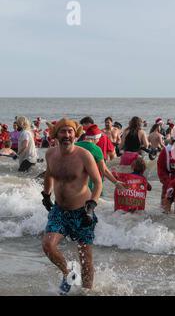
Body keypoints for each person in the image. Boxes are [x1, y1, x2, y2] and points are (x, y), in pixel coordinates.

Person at [41, 118, 102, 294]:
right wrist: (46, 195)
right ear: (56, 135)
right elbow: (49, 175)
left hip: (83, 212)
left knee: (86, 259)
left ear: (75, 134)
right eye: (63, 131)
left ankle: (86, 292)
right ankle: (68, 273)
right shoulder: (50, 154)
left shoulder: (84, 155)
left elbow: (98, 183)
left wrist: (91, 206)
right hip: (59, 211)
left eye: (70, 132)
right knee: (48, 245)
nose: (67, 135)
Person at [74, 124, 125, 191]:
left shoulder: (75, 145)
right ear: (95, 138)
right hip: (88, 184)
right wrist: (116, 182)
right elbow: (104, 170)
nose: (98, 140)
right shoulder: (96, 149)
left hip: (73, 182)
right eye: (99, 138)